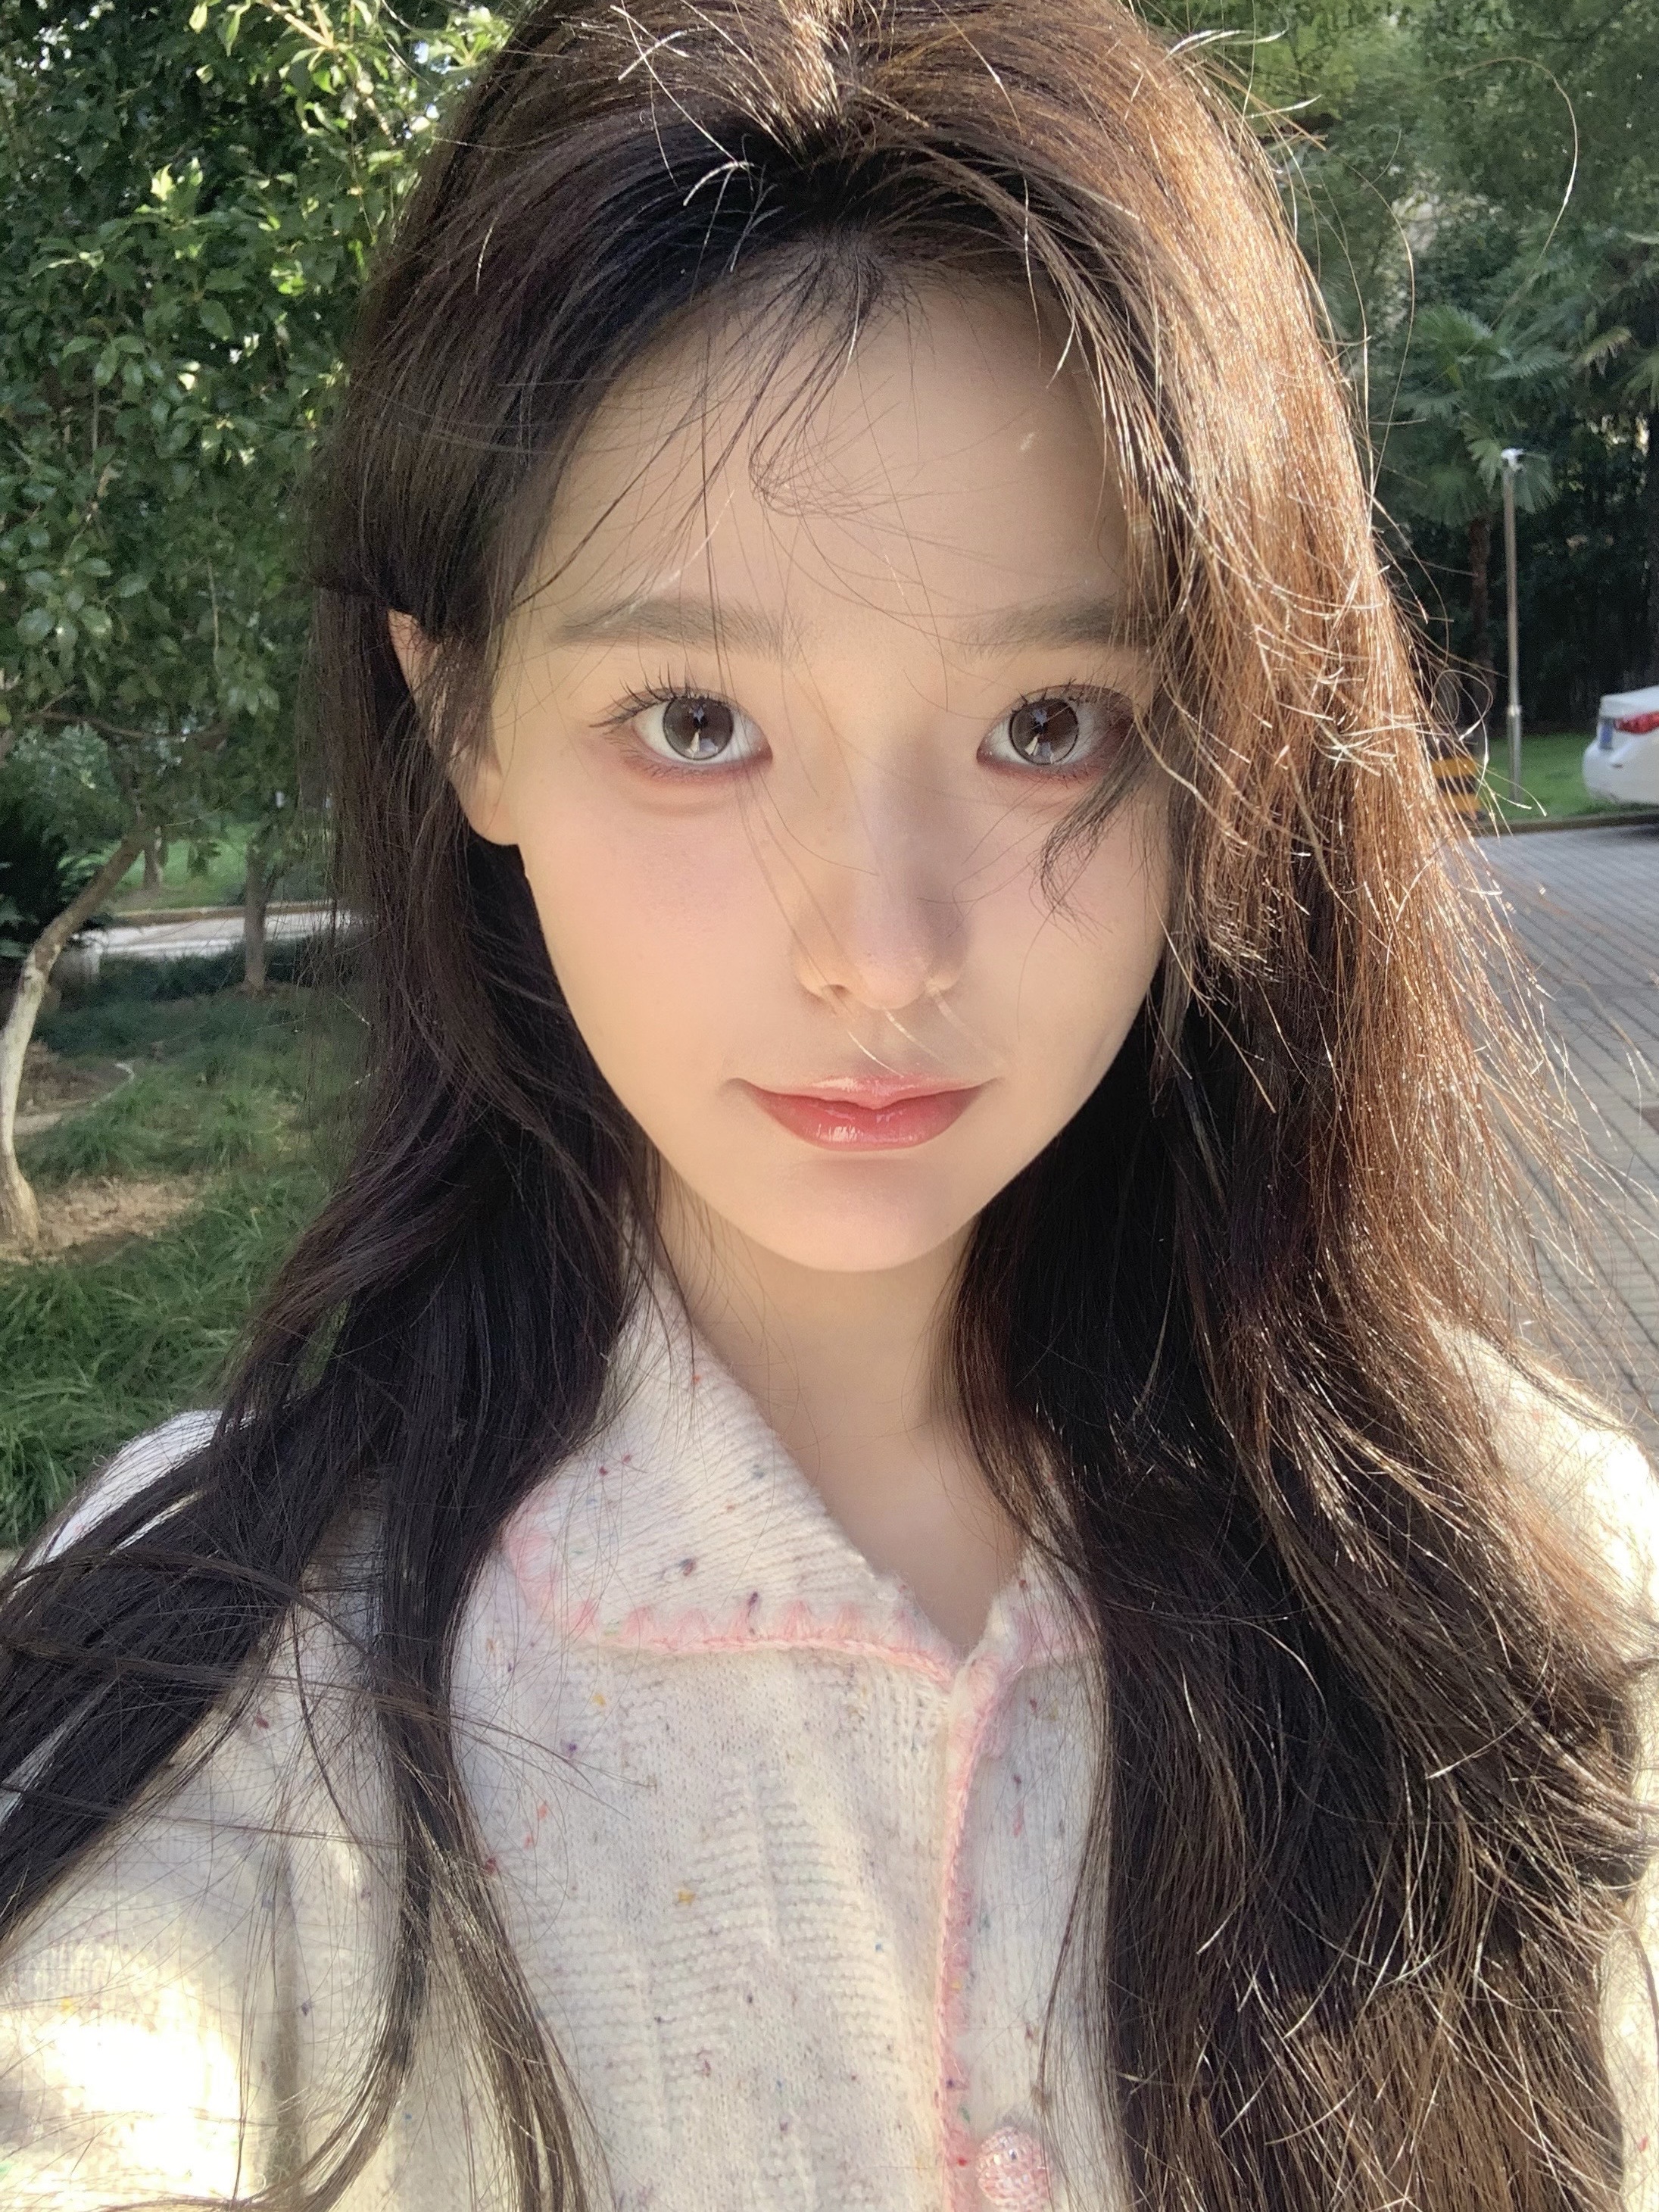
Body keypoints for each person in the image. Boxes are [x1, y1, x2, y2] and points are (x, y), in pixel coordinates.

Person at [2, 3, 1655, 2207]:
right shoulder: (221, 1663)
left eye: (1052, 723)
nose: (880, 947)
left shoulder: (1542, 1578)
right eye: (696, 719)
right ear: (463, 715)